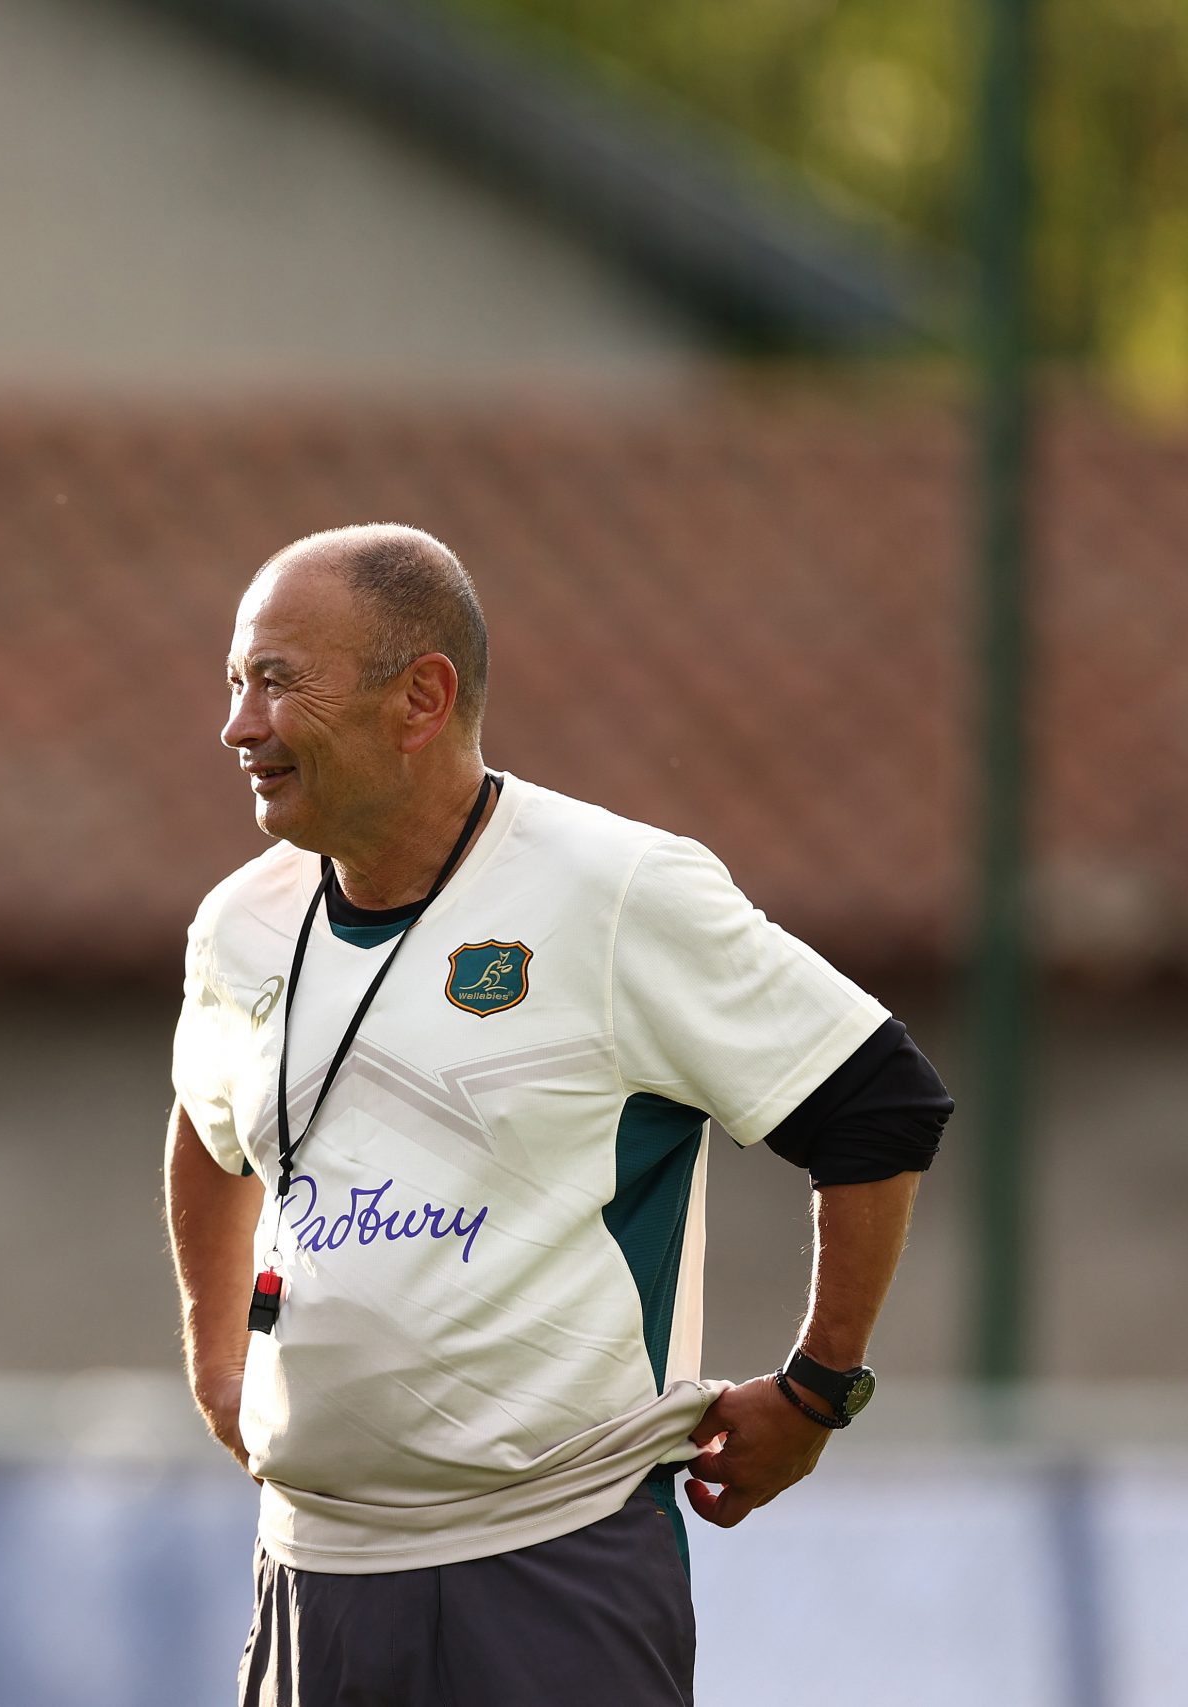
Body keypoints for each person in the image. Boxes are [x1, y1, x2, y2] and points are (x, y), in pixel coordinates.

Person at [165, 525, 949, 1705]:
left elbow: (879, 1103)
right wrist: (216, 1358)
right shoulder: (241, 923)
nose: (239, 726)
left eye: (277, 682)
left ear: (420, 699)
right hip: (308, 1575)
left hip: (549, 1567)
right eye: (235, 684)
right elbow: (204, 1125)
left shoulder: (618, 889)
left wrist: (816, 1389)